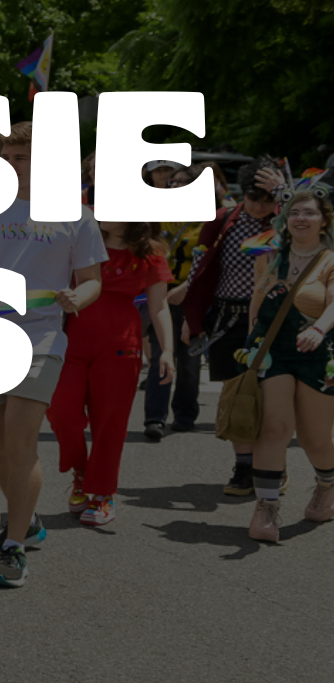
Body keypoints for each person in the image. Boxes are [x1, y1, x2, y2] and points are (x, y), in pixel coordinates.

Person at [0, 120, 106, 589]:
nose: (11, 163)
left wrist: (77, 298)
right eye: (6, 155)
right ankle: (26, 521)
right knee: (3, 445)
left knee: (21, 438)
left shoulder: (76, 215)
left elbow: (92, 280)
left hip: (42, 337)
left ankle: (15, 548)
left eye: (21, 156)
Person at [46, 220, 174, 526]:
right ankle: (81, 472)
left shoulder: (151, 251)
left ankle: (102, 494)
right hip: (71, 340)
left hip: (122, 345)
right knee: (61, 413)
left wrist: (166, 350)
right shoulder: (79, 239)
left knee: (110, 423)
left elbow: (159, 307)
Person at [180, 159, 281, 497]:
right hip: (228, 317)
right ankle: (244, 466)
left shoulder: (288, 221)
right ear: (242, 193)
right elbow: (200, 269)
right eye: (254, 199)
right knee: (238, 394)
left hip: (274, 321)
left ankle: (272, 464)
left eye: (268, 200)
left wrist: (284, 195)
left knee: (272, 396)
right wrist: (190, 319)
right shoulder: (223, 220)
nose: (260, 207)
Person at [240, 182, 334, 540]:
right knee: (275, 427)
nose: (300, 218)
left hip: (318, 354)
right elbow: (256, 301)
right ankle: (267, 508)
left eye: (309, 212)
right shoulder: (268, 255)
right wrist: (251, 343)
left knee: (314, 439)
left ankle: (327, 487)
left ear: (323, 221)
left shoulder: (329, 260)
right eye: (294, 212)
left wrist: (320, 330)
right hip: (271, 353)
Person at [146, 167, 204, 439]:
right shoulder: (156, 216)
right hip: (161, 293)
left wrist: (186, 287)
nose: (176, 186)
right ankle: (154, 418)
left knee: (190, 361)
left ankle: (184, 414)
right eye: (174, 182)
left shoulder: (206, 219)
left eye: (184, 182)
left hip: (192, 295)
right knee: (160, 354)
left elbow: (210, 261)